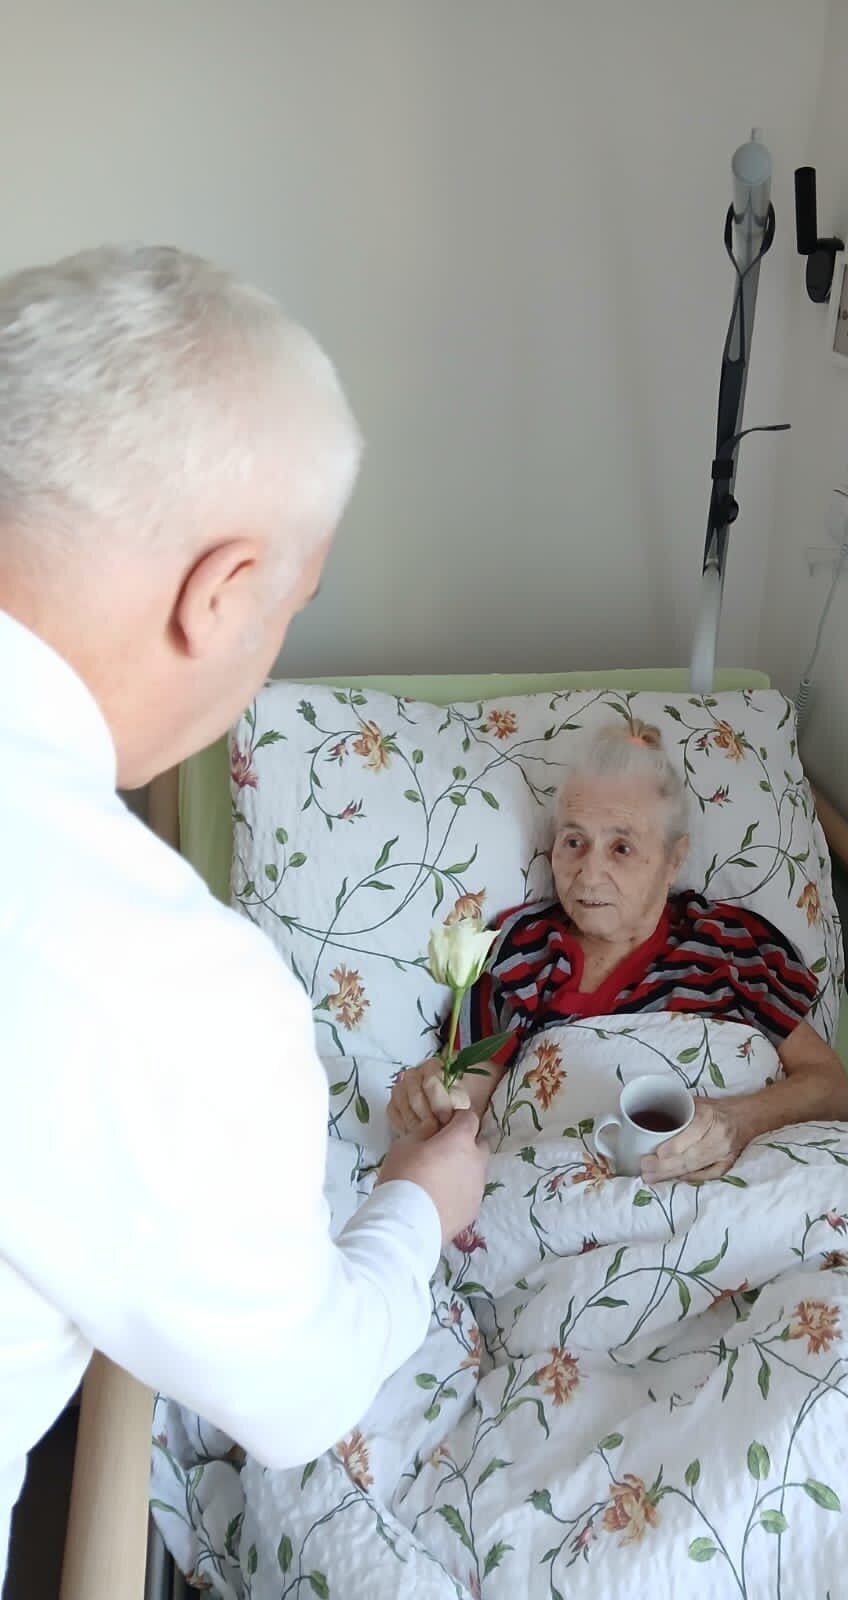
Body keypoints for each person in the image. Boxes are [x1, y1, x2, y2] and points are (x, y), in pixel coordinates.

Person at [0, 245, 488, 1582]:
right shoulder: (160, 984)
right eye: (287, 607)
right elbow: (298, 1389)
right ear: (219, 593)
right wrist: (417, 1206)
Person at [390, 720, 848, 1180]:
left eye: (621, 848)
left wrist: (738, 1121)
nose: (589, 874)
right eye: (574, 842)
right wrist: (431, 1099)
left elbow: (829, 1087)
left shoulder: (733, 946)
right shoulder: (520, 951)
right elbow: (466, 1105)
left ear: (674, 859)